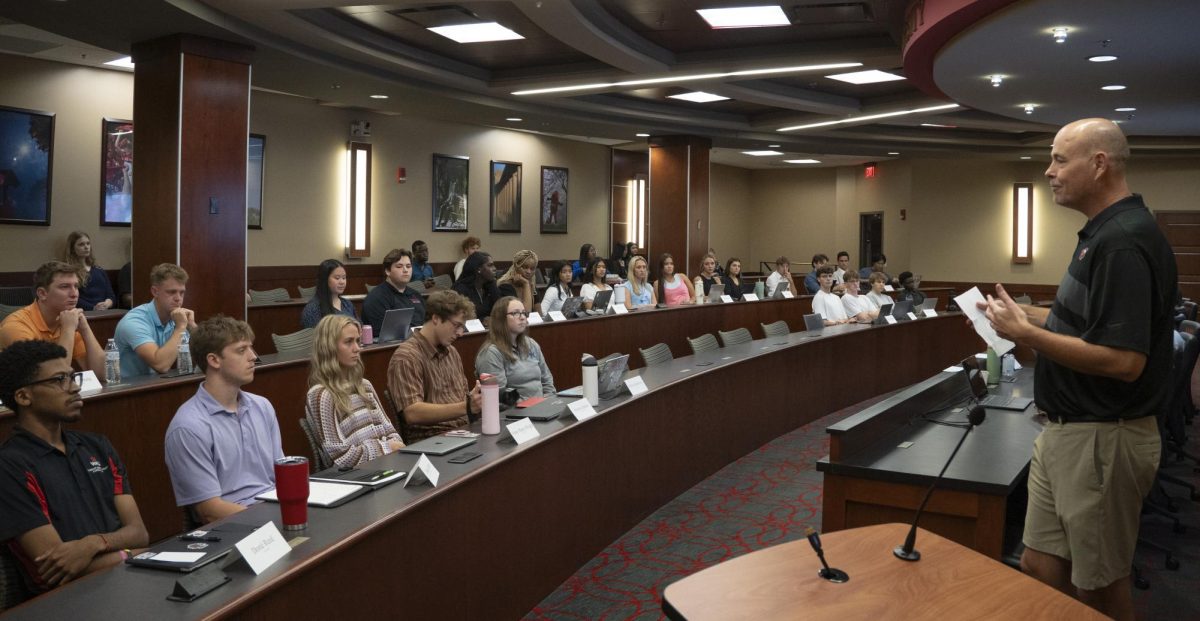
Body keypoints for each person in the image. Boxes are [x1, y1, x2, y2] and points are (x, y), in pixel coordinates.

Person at [981, 118, 1174, 621]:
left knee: (1099, 589)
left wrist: (1026, 335)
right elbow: (1090, 324)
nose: (1049, 171)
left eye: (1060, 160)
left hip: (1102, 439)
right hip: (1067, 434)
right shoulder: (1102, 233)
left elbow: (1125, 361)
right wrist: (1025, 317)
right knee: (1041, 567)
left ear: (1100, 164)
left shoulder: (1123, 242)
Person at [0, 340, 148, 596]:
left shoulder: (97, 446)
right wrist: (128, 553)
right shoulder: (10, 465)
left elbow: (139, 533)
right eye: (59, 380)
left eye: (72, 377)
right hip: (67, 602)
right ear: (24, 396)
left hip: (127, 583)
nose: (74, 388)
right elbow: (56, 570)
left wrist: (93, 543)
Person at [164, 316, 282, 525]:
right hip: (232, 528)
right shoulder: (188, 426)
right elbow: (210, 510)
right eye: (241, 350)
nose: (253, 356)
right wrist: (274, 520)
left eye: (251, 348)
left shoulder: (262, 406)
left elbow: (281, 475)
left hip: (275, 511)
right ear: (214, 360)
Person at [306, 315, 403, 467]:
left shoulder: (365, 385)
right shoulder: (321, 395)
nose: (357, 348)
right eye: (348, 342)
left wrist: (391, 447)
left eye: (357, 341)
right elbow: (339, 456)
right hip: (358, 476)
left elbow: (391, 431)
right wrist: (386, 448)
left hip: (386, 464)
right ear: (329, 347)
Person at [387, 290, 482, 443]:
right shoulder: (407, 356)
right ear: (436, 318)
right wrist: (466, 406)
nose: (460, 333)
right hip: (431, 439)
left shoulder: (452, 352)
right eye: (456, 325)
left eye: (462, 327)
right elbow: (412, 413)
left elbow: (463, 398)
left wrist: (476, 399)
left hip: (463, 432)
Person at [1, 262, 105, 380]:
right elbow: (52, 377)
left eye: (76, 286)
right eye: (65, 287)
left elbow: (102, 374)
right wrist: (68, 330)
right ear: (42, 293)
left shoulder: (68, 320)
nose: (74, 294)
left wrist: (85, 329)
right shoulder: (16, 326)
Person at [113, 263, 197, 378]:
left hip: (156, 386)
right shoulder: (134, 321)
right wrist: (181, 327)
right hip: (126, 389)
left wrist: (192, 327)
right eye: (171, 292)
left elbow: (207, 356)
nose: (178, 298)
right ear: (155, 291)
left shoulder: (176, 318)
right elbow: (161, 365)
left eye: (182, 292)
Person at [474, 296, 556, 399]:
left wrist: (549, 401)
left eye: (524, 313)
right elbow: (500, 397)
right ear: (501, 319)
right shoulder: (491, 353)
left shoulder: (531, 344)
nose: (522, 317)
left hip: (541, 407)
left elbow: (547, 380)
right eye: (515, 313)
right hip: (516, 412)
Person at [362, 248, 426, 336]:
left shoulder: (416, 295)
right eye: (399, 266)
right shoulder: (376, 298)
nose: (405, 270)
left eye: (408, 266)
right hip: (392, 347)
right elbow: (381, 334)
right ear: (388, 271)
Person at [63, 231, 115, 311]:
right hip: (84, 312)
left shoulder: (99, 270)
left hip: (105, 311)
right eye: (81, 244)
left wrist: (107, 303)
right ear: (72, 249)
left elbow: (110, 295)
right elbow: (70, 296)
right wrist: (93, 308)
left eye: (88, 243)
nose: (86, 247)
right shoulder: (69, 272)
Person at [300, 259, 358, 329]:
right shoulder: (313, 309)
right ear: (325, 280)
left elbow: (359, 326)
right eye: (337, 278)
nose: (342, 282)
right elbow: (316, 338)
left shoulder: (347, 304)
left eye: (344, 278)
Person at [453, 251, 501, 322]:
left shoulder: (490, 287)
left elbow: (500, 310)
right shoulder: (460, 289)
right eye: (490, 265)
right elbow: (459, 317)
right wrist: (482, 320)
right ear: (479, 269)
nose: (495, 269)